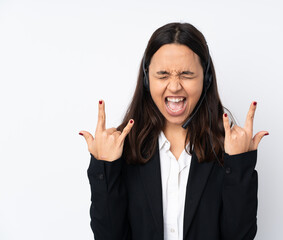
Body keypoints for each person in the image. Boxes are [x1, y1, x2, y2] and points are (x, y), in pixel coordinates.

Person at [79, 22, 268, 240]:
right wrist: (105, 166)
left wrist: (239, 164)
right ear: (146, 79)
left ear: (206, 79)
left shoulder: (227, 147)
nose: (175, 86)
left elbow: (239, 236)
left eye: (187, 74)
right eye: (162, 75)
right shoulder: (122, 147)